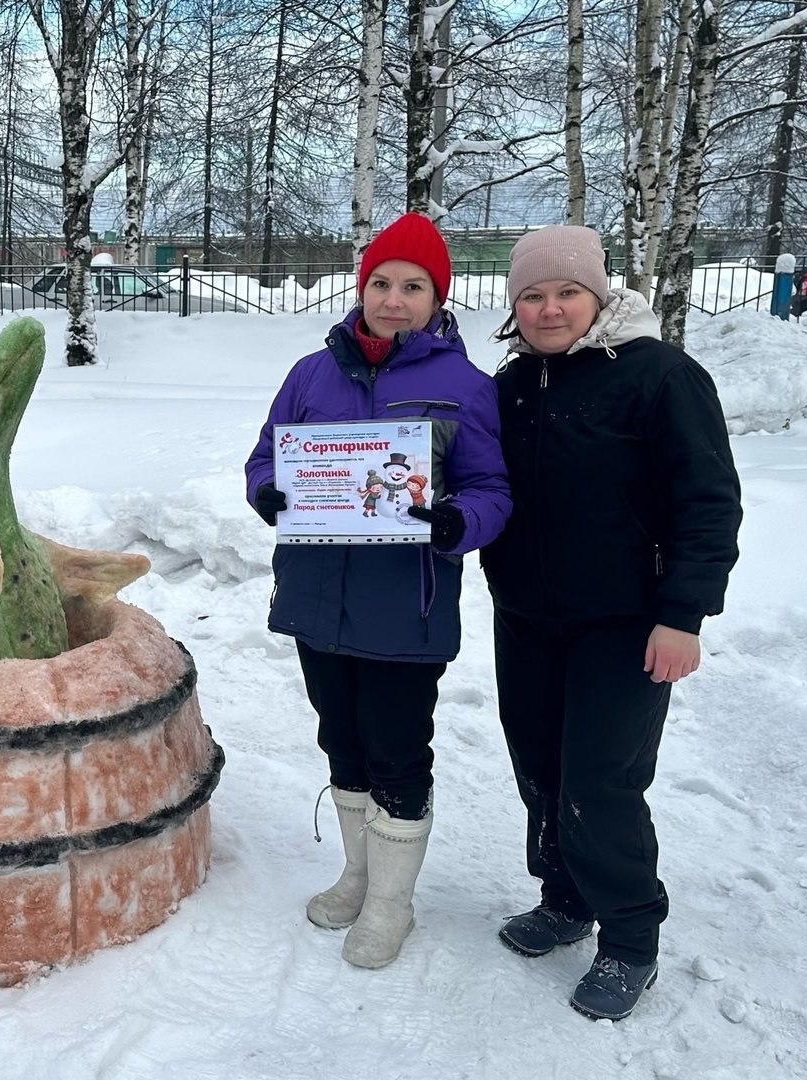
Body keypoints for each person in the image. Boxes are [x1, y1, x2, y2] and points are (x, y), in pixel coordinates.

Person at [481, 225, 743, 1021]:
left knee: (601, 781)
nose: (549, 308)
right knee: (542, 769)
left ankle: (631, 938)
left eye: (566, 292)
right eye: (532, 294)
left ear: (600, 296)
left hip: (626, 624)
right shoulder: (515, 384)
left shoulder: (660, 376)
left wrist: (683, 615)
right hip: (526, 615)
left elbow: (709, 501)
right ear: (515, 305)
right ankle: (565, 898)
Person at [243, 212, 512, 969]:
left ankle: (393, 903)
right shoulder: (310, 374)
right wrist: (270, 493)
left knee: (397, 752)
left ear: (438, 297)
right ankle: (358, 876)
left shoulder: (465, 387)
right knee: (342, 741)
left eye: (413, 287)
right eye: (381, 283)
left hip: (407, 607)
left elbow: (493, 488)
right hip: (317, 600)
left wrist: (457, 521)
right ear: (362, 287)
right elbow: (266, 457)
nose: (393, 300)